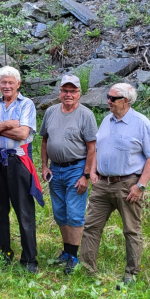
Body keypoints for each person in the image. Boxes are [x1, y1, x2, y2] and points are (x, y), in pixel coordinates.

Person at [79, 83, 150, 290]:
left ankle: (131, 276)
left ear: (126, 101)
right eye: (108, 97)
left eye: (112, 98)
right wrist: (94, 172)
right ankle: (87, 270)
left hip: (127, 185)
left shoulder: (141, 123)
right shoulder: (106, 120)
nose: (108, 101)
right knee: (91, 227)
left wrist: (140, 186)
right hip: (102, 185)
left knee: (131, 231)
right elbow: (98, 148)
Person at [0, 66, 43, 273]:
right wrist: (9, 124)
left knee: (24, 212)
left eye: (11, 82)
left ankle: (29, 260)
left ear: (18, 84)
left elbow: (23, 134)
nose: (7, 86)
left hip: (18, 162)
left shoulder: (27, 104)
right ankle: (1, 256)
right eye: (3, 82)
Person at [39, 75, 98, 275]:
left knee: (74, 213)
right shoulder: (51, 112)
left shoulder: (86, 115)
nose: (68, 94)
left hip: (76, 169)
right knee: (60, 213)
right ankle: (67, 251)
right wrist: (44, 166)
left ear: (79, 93)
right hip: (55, 170)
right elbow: (45, 141)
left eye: (72, 91)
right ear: (60, 92)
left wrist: (86, 175)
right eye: (65, 90)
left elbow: (92, 149)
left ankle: (73, 257)